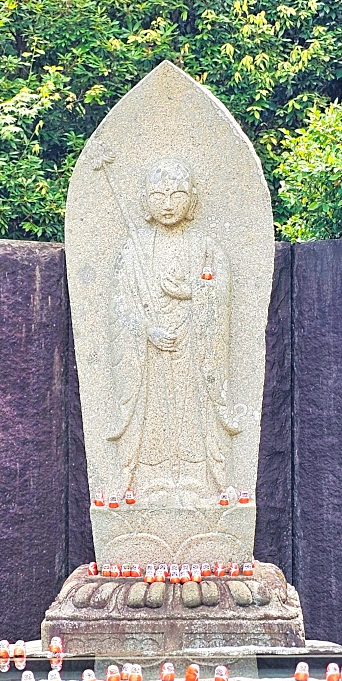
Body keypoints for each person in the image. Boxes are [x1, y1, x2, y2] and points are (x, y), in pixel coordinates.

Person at [107, 158, 240, 506]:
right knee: (154, 415)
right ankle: (147, 481)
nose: (168, 204)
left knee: (191, 412)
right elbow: (120, 304)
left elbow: (220, 290)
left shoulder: (206, 245)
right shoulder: (134, 248)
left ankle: (199, 480)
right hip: (149, 354)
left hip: (195, 349)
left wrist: (192, 292)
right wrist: (146, 329)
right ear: (145, 200)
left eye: (177, 195)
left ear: (192, 199)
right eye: (159, 195)